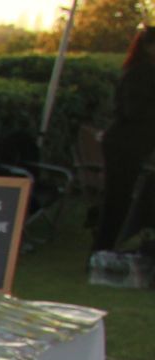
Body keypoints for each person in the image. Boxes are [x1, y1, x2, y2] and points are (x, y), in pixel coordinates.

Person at [92, 25, 155, 255]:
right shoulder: (140, 73)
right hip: (124, 144)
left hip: (131, 144)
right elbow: (133, 110)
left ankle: (108, 246)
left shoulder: (142, 71)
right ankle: (102, 249)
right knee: (117, 200)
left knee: (121, 199)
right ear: (149, 47)